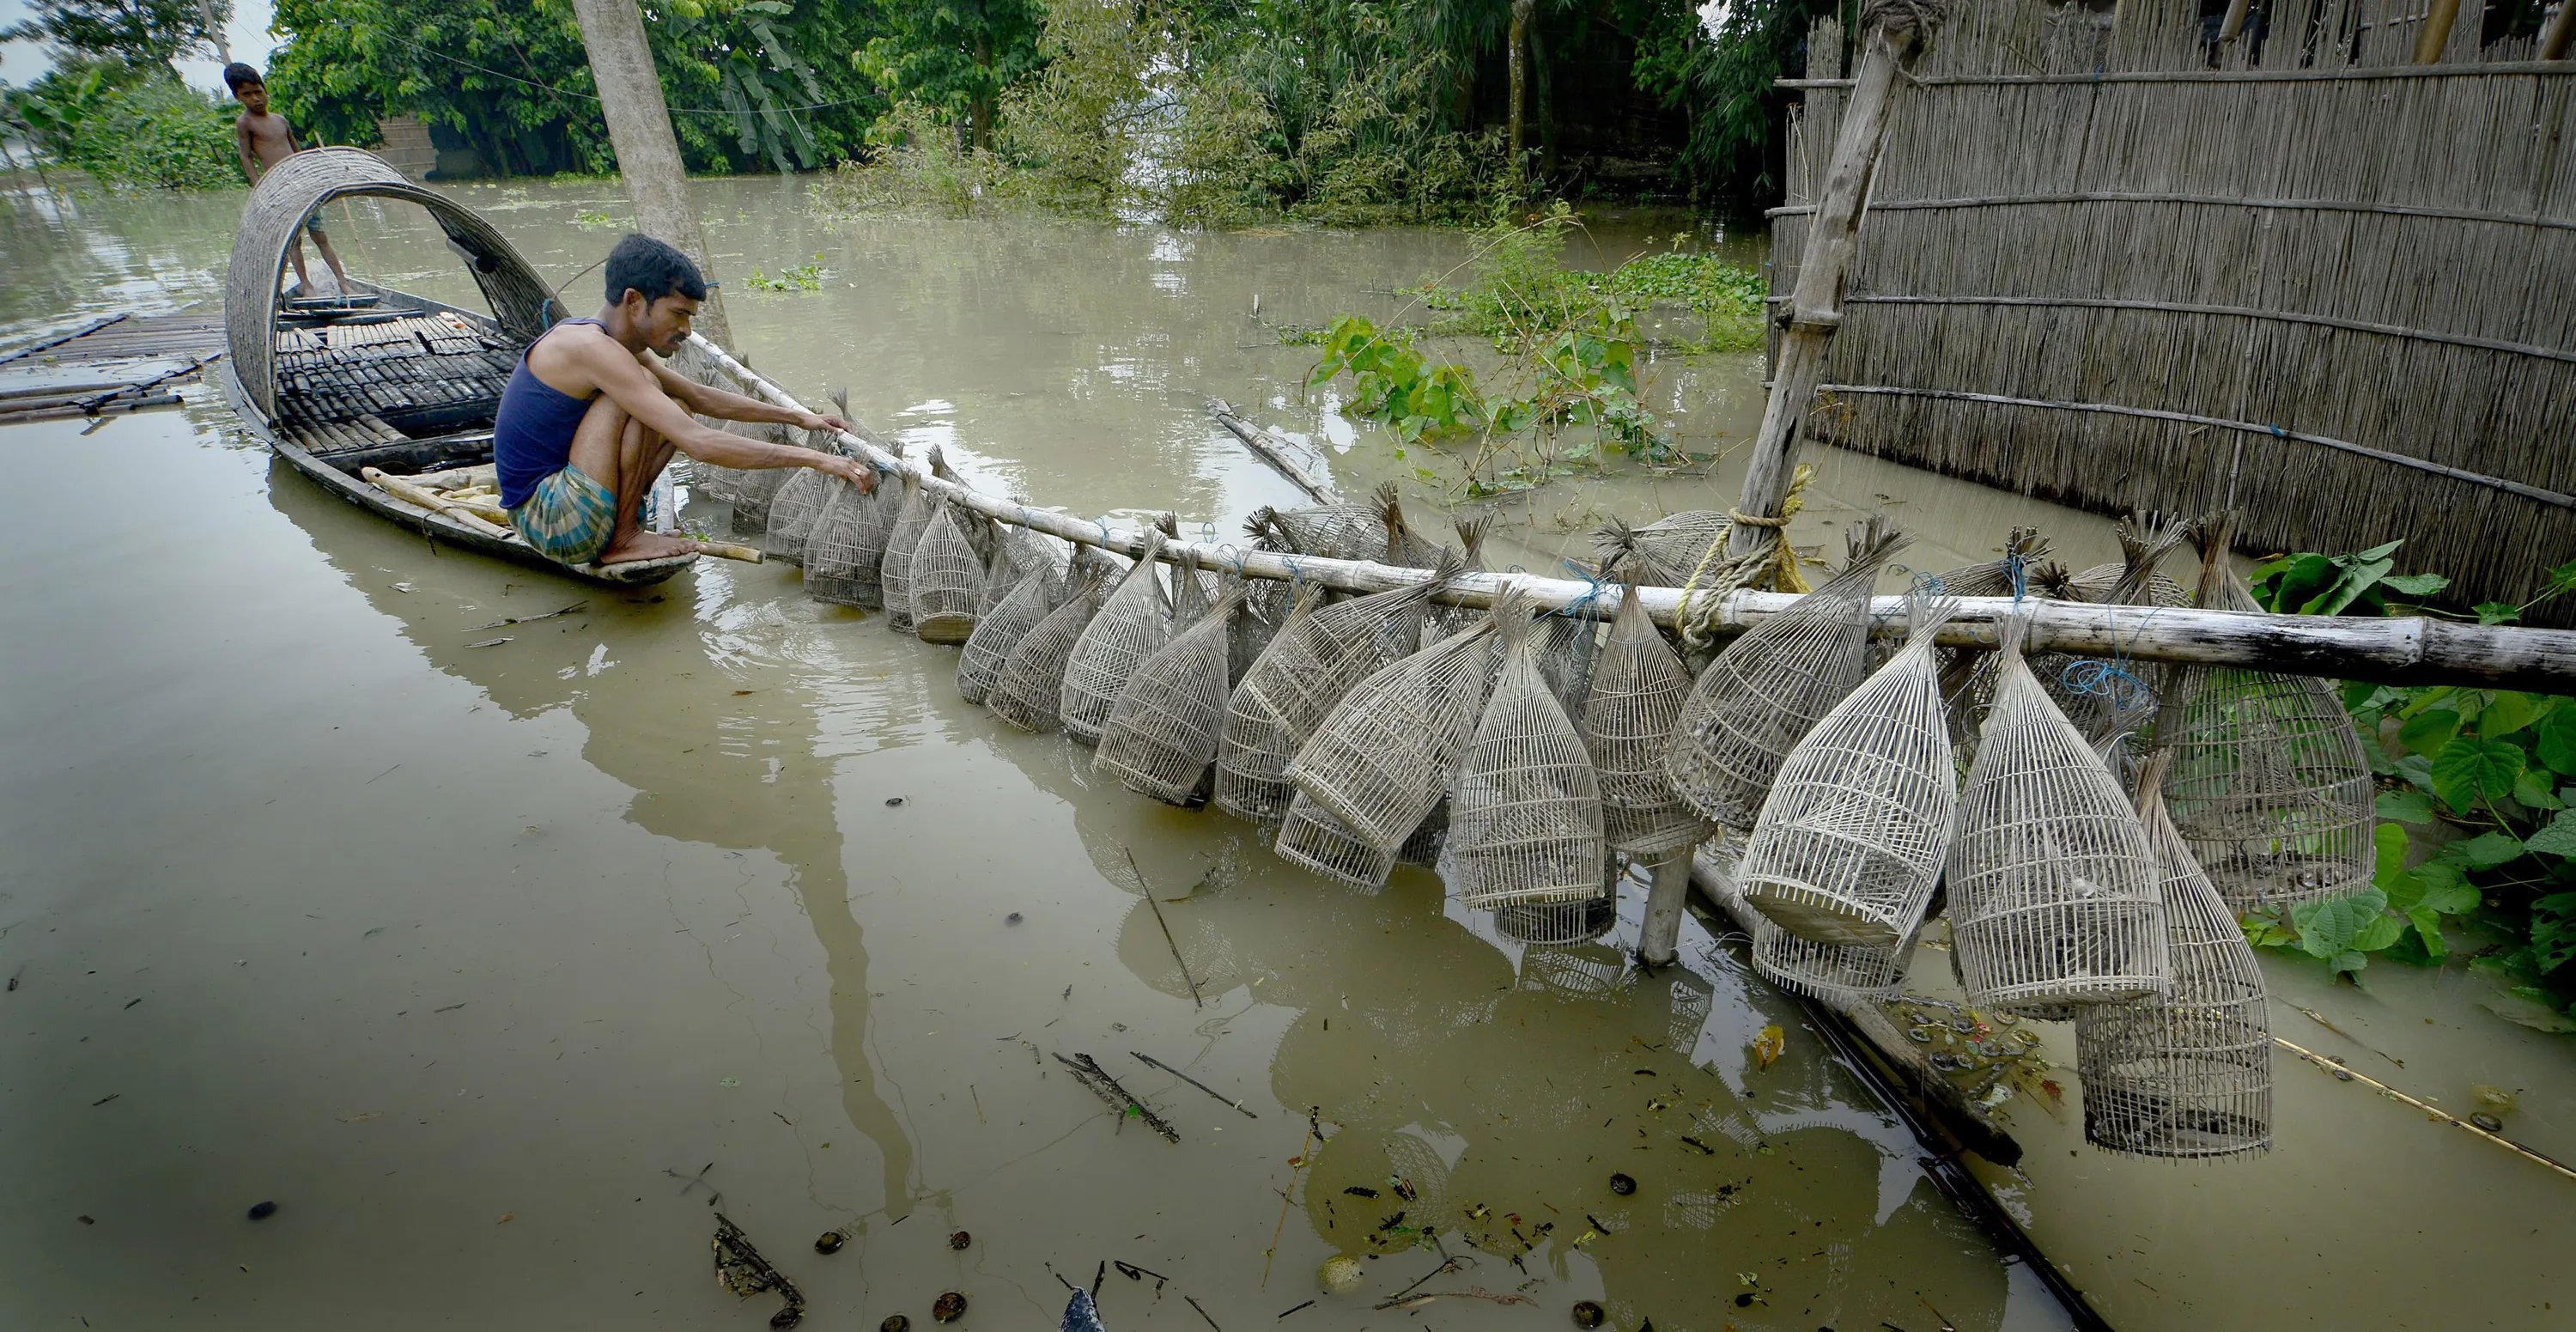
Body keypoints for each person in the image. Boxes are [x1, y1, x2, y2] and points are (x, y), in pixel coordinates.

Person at [494, 234, 876, 566]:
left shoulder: (615, 346)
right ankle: (623, 538)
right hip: (551, 522)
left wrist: (799, 418)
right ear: (634, 301)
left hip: (576, 506)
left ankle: (624, 529)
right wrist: (817, 460)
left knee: (677, 403)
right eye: (678, 314)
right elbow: (698, 443)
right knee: (644, 391)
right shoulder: (590, 347)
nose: (686, 330)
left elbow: (697, 395)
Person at [225, 62, 355, 296]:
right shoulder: (245, 123)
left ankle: (343, 282)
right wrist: (259, 186)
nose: (256, 99)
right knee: (294, 241)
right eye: (247, 94)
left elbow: (298, 154)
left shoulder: (281, 120)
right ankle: (306, 285)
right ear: (238, 97)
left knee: (320, 236)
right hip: (280, 188)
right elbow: (246, 156)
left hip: (303, 185)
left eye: (258, 92)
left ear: (265, 90)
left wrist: (314, 176)